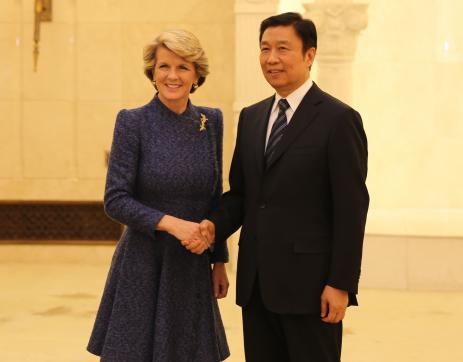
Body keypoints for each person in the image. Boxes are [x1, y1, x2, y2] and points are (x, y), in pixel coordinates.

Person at [199, 12, 369, 362]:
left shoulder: (339, 120)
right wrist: (212, 228)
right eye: (264, 48)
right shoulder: (251, 117)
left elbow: (351, 209)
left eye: (282, 48)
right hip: (257, 284)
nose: (271, 58)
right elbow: (243, 195)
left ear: (309, 55)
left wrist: (340, 284)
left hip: (312, 288)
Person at [87, 29, 230, 362]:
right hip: (143, 264)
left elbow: (215, 196)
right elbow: (115, 199)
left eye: (183, 67)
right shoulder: (132, 122)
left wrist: (219, 260)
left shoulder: (212, 121)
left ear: (197, 74)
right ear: (152, 72)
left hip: (192, 265)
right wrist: (173, 225)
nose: (172, 76)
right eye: (164, 66)